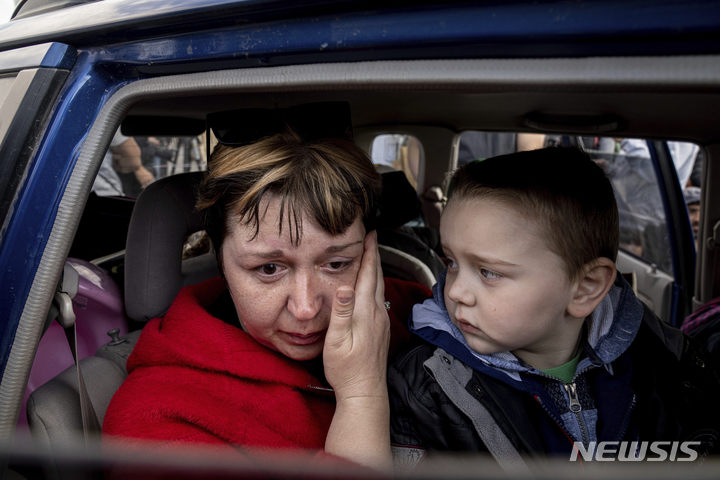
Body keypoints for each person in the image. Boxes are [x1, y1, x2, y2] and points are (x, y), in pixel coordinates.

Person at [103, 129, 431, 468]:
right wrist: (361, 394)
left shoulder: (419, 314)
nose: (305, 308)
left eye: (336, 264)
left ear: (368, 252)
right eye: (269, 268)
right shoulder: (158, 421)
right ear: (221, 261)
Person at [389, 147, 720, 468]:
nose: (456, 290)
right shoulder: (424, 386)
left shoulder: (663, 357)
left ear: (585, 288)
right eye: (452, 262)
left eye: (489, 272)